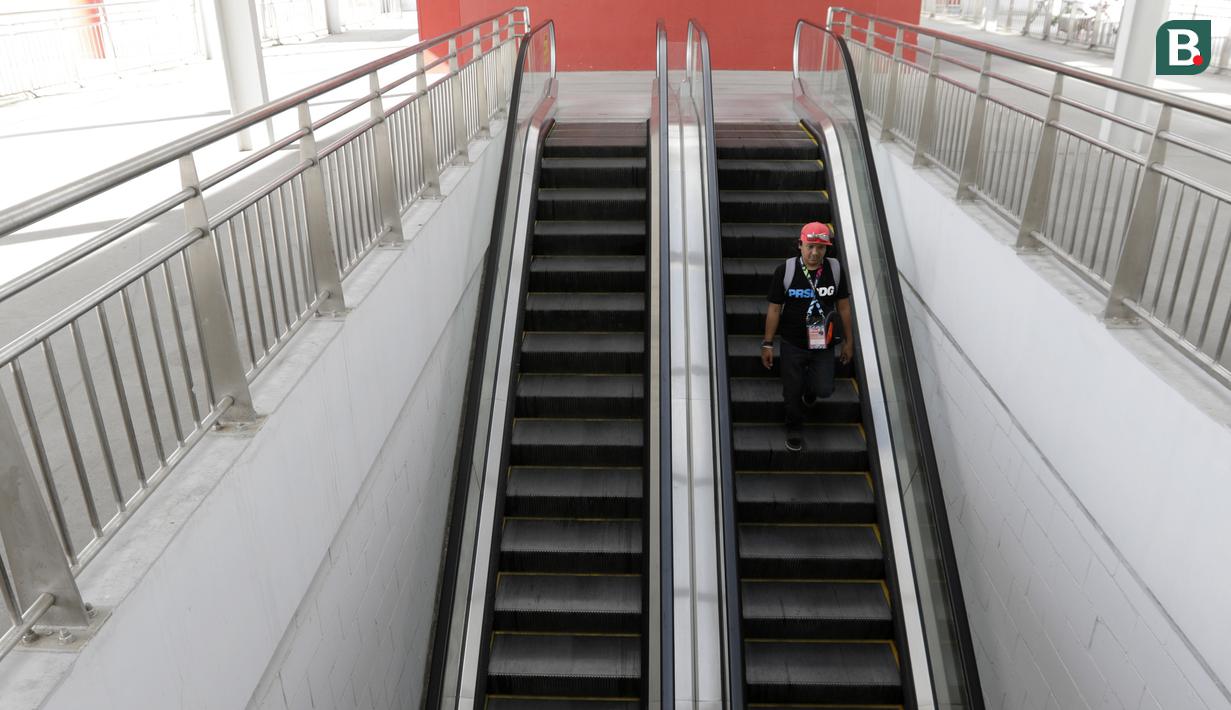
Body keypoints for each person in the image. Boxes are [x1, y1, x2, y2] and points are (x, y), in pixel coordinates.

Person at [760, 222, 854, 452]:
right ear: (800, 245)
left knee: (824, 389)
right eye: (810, 246)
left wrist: (849, 342)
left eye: (820, 248)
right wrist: (768, 343)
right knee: (792, 391)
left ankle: (811, 390)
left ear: (826, 249)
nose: (815, 253)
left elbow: (843, 307)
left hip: (823, 342)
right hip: (793, 342)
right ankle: (794, 427)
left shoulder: (835, 270)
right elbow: (774, 309)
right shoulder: (786, 270)